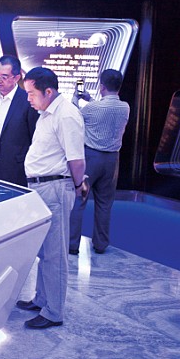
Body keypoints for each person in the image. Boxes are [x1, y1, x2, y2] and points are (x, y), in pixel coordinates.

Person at [16, 67, 88, 329]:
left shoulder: (66, 115)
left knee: (55, 253)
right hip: (42, 188)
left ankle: (53, 312)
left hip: (55, 188)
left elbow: (76, 159)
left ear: (49, 91)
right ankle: (41, 299)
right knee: (45, 250)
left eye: (31, 93)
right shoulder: (46, 113)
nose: (28, 98)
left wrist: (78, 185)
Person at [69, 69, 130, 255]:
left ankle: (72, 244)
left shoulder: (92, 108)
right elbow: (105, 110)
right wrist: (91, 99)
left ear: (101, 86)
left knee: (79, 199)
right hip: (112, 161)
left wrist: (75, 98)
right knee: (104, 203)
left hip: (91, 159)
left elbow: (73, 117)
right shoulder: (125, 107)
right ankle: (101, 244)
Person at [0, 55, 39, 186]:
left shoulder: (27, 100)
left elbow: (34, 137)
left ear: (16, 78)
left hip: (14, 167)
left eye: (4, 77)